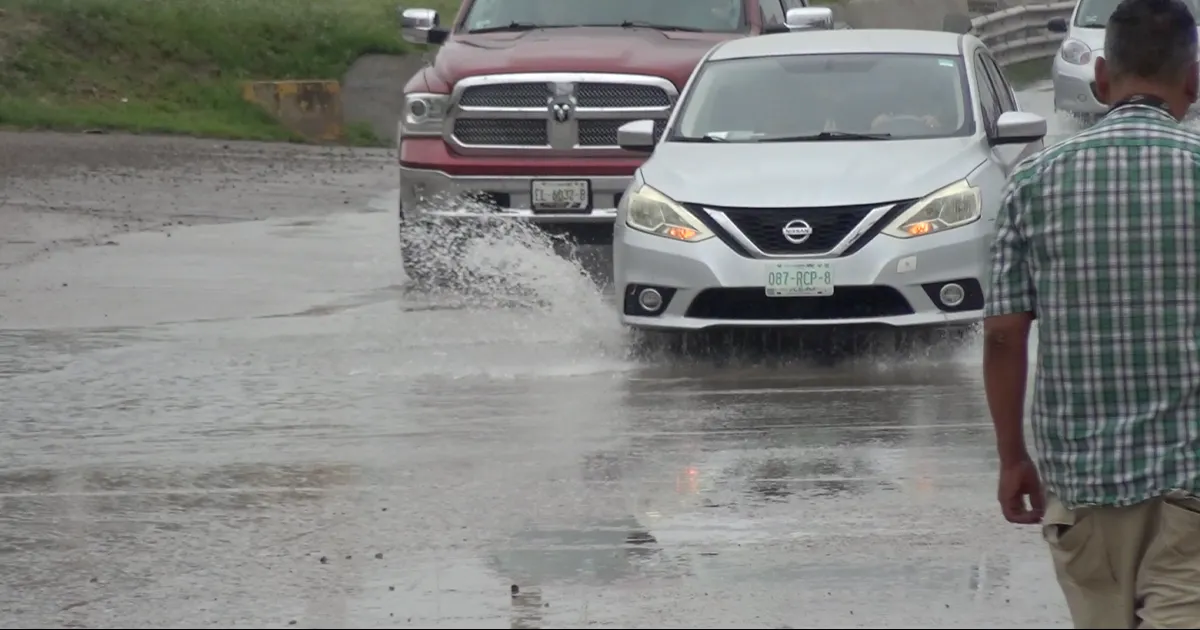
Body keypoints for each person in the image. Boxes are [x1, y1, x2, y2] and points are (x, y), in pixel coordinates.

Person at [982, 0, 1200, 627]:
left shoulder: (1034, 183)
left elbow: (1002, 336)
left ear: (1102, 78)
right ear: (1193, 79)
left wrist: (1011, 457)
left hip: (1083, 484)